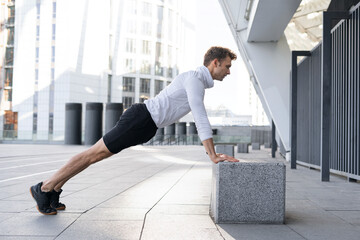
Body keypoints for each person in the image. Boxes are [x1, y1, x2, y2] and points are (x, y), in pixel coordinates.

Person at [30, 46, 240, 215]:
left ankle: (55, 189)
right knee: (92, 154)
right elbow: (200, 116)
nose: (229, 71)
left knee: (94, 156)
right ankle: (45, 188)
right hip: (140, 120)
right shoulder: (194, 79)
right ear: (215, 62)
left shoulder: (196, 81)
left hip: (145, 124)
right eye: (227, 66)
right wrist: (212, 155)